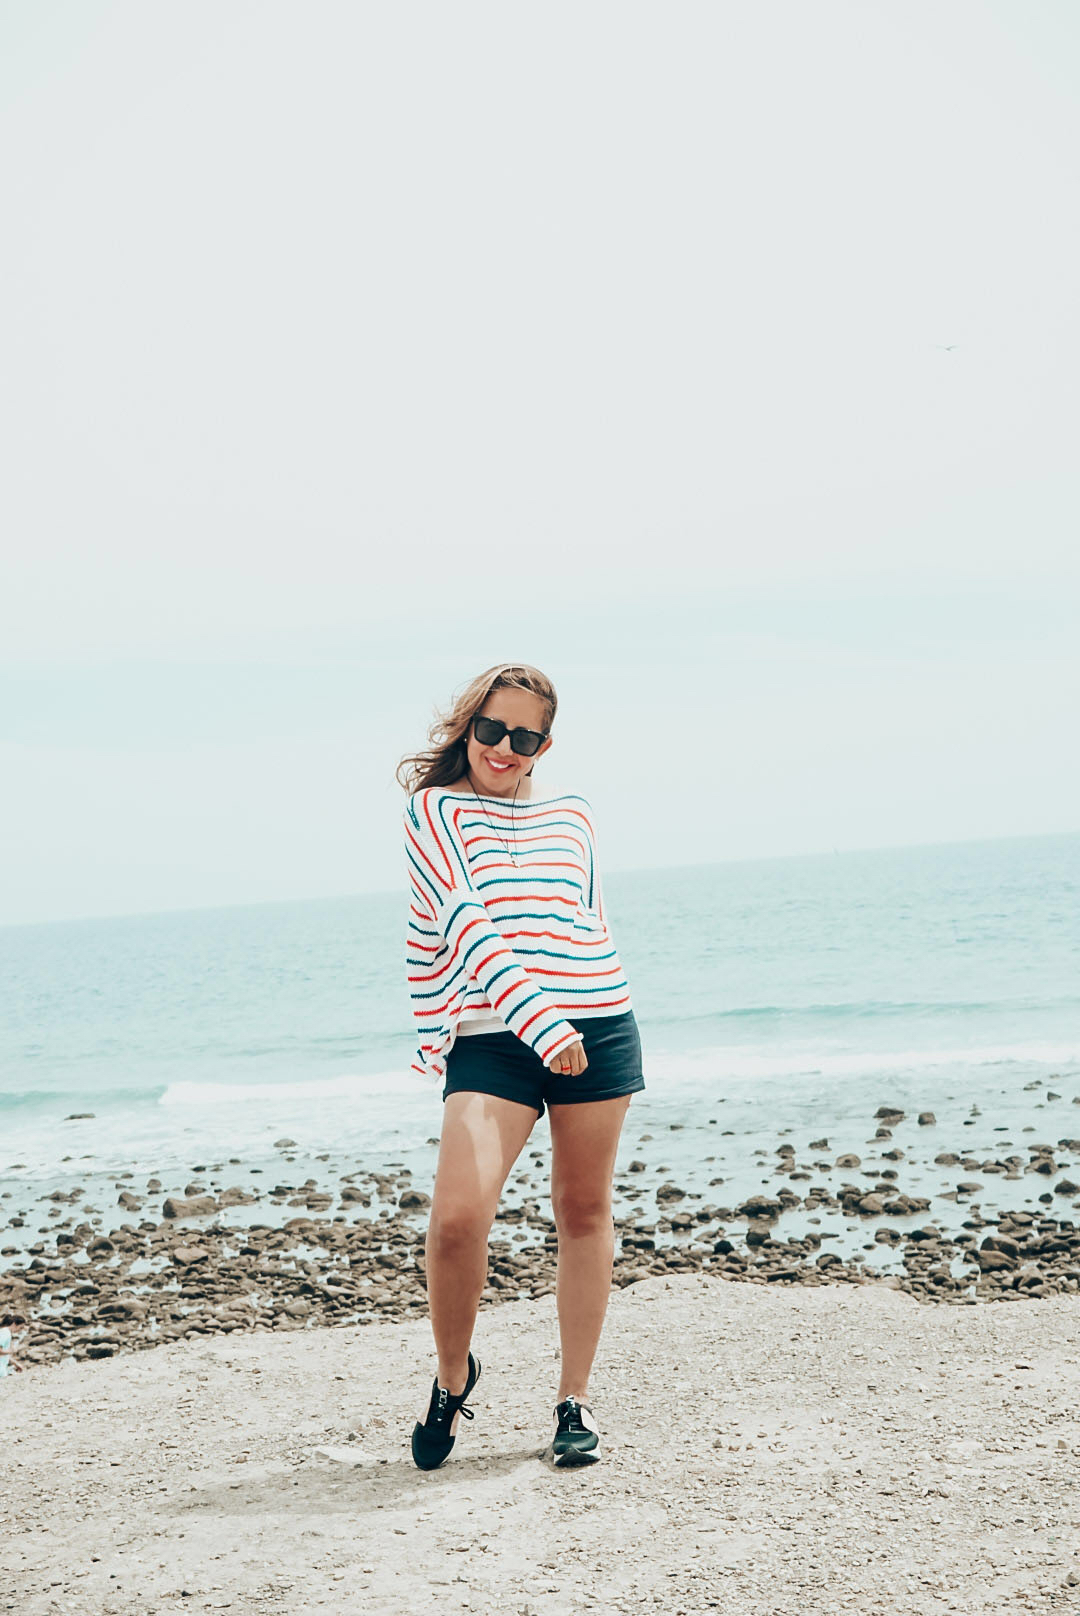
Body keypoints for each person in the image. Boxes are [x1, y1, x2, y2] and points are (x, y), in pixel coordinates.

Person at [398, 662, 644, 1470]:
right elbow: (465, 924)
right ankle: (451, 1375)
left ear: (545, 744)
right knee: (458, 1220)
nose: (504, 748)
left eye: (524, 736)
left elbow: (585, 920)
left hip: (596, 1026)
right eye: (491, 729)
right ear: (470, 725)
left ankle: (573, 1400)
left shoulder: (575, 815)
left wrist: (581, 1015)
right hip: (498, 1034)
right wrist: (538, 1021)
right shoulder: (433, 811)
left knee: (582, 1212)